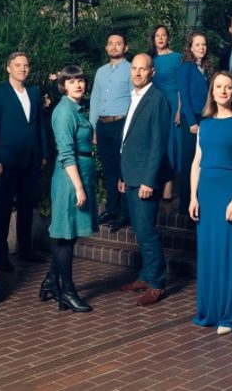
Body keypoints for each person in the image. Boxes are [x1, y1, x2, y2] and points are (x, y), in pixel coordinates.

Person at [188, 71, 232, 335]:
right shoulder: (204, 124)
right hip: (206, 193)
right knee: (208, 254)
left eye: (228, 87)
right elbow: (196, 162)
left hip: (230, 192)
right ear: (212, 91)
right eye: (218, 87)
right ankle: (209, 312)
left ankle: (229, 316)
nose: (223, 91)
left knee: (229, 254)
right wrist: (193, 196)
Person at [0, 52, 50, 271]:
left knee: (26, 206)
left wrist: (43, 153)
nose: (23, 69)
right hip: (7, 160)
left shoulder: (33, 92)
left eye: (26, 65)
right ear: (8, 68)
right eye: (18, 65)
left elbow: (39, 124)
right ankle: (0, 254)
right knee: (3, 208)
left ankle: (25, 249)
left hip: (31, 158)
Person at [117, 54, 172, 306]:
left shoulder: (157, 99)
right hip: (132, 174)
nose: (137, 73)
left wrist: (149, 181)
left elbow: (158, 144)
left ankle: (157, 284)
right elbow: (129, 139)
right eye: (134, 69)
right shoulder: (136, 96)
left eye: (143, 69)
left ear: (152, 72)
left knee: (147, 231)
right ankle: (146, 275)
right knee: (139, 228)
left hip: (145, 177)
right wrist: (123, 176)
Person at [40, 65, 96, 313]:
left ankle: (52, 281)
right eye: (72, 81)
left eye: (81, 80)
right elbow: (65, 153)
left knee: (68, 234)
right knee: (65, 237)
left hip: (79, 174)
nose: (78, 85)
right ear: (63, 85)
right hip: (69, 179)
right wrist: (79, 188)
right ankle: (68, 292)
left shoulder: (76, 109)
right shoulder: (64, 112)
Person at [90, 31, 132, 230]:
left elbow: (135, 100)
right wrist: (94, 128)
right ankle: (112, 209)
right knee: (109, 171)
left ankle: (125, 213)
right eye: (110, 43)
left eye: (118, 43)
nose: (114, 46)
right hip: (103, 125)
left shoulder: (132, 70)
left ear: (125, 47)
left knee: (124, 170)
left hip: (121, 124)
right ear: (106, 47)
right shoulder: (100, 72)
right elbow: (95, 99)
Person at [177, 31, 214, 216]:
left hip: (205, 118)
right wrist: (191, 121)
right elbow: (184, 95)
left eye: (204, 44)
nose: (201, 48)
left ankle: (200, 200)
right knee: (190, 160)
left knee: (203, 160)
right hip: (190, 119)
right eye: (197, 44)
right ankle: (185, 205)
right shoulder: (186, 67)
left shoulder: (206, 68)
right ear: (190, 47)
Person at [148, 25, 182, 203]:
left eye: (164, 35)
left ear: (168, 38)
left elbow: (182, 86)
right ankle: (155, 183)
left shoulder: (178, 58)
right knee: (156, 142)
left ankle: (168, 187)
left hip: (172, 104)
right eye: (157, 35)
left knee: (170, 144)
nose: (160, 38)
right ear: (153, 39)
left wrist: (179, 110)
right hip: (154, 105)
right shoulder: (149, 59)